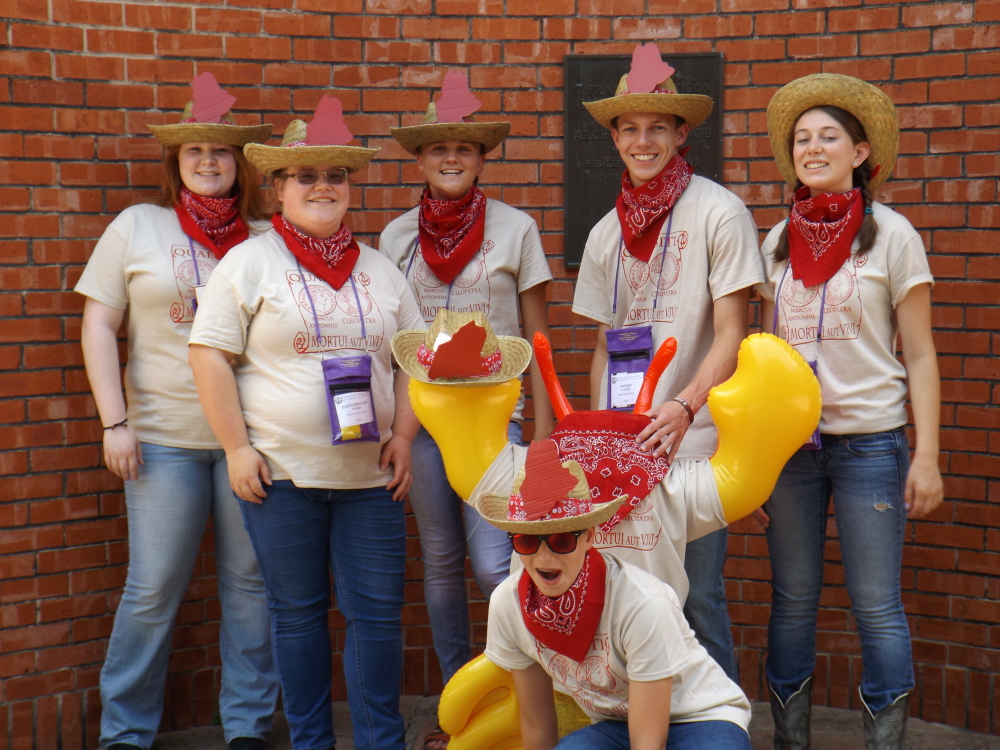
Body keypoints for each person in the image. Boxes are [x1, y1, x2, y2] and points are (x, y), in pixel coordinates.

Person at [187, 96, 425, 750]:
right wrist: (236, 448)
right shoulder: (249, 262)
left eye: (336, 175)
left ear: (351, 187)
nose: (322, 186)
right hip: (282, 477)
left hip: (370, 480)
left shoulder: (379, 270)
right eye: (306, 175)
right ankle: (312, 743)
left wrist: (404, 435)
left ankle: (382, 742)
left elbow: (413, 361)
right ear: (278, 188)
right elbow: (208, 354)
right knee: (297, 620)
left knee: (376, 620)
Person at [75, 73, 278, 750]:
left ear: (240, 162)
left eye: (222, 151)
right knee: (154, 587)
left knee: (251, 586)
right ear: (176, 161)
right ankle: (125, 733)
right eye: (195, 151)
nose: (210, 161)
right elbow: (99, 326)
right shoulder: (139, 225)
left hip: (249, 442)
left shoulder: (262, 238)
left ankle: (247, 726)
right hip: (160, 441)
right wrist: (115, 422)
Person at [756, 73, 943, 750]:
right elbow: (762, 362)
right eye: (802, 139)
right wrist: (751, 459)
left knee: (876, 608)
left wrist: (926, 456)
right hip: (790, 455)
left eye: (828, 136)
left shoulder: (892, 235)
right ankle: (790, 741)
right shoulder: (775, 241)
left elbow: (919, 354)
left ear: (860, 152)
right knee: (793, 603)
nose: (812, 148)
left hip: (872, 445)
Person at [571, 43, 763, 680]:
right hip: (628, 448)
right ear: (615, 137)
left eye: (658, 127)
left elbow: (733, 333)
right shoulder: (604, 233)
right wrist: (602, 442)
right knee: (638, 600)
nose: (643, 140)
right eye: (631, 128)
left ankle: (720, 728)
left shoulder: (719, 211)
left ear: (682, 133)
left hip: (697, 442)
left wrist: (684, 409)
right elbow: (604, 347)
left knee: (701, 598)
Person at [380, 70, 553, 741]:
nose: (451, 158)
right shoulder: (394, 239)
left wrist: (541, 429)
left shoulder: (515, 230)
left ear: (483, 158)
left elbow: (537, 335)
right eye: (437, 148)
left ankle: (516, 690)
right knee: (442, 565)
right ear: (419, 160)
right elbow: (390, 341)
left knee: (493, 563)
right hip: (423, 424)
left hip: (497, 422)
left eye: (466, 147)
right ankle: (466, 709)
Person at [479, 440, 752, 750]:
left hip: (699, 716)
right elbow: (536, 722)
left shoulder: (641, 603)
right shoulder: (508, 604)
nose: (543, 559)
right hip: (617, 725)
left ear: (591, 537)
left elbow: (649, 743)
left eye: (561, 539)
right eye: (527, 542)